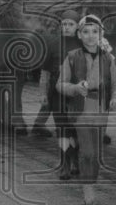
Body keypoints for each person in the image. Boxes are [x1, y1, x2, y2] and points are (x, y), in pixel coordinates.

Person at [53, 14, 116, 205]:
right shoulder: (72, 57)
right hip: (80, 111)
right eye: (86, 32)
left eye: (95, 32)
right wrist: (74, 88)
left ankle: (90, 187)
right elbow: (60, 84)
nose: (91, 36)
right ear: (79, 35)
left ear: (101, 34)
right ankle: (89, 197)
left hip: (101, 112)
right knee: (88, 152)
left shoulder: (108, 58)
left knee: (97, 155)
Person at [32, 10, 80, 140]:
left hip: (78, 91)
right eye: (64, 24)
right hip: (56, 90)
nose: (67, 27)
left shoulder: (85, 43)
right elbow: (45, 72)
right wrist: (42, 93)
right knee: (62, 128)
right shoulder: (53, 43)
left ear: (78, 26)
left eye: (71, 24)